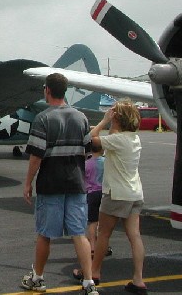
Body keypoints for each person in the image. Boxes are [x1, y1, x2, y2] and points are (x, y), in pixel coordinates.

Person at [21, 73, 98, 295]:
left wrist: (28, 182)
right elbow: (87, 152)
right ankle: (89, 282)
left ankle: (38, 278)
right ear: (65, 91)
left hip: (50, 184)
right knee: (79, 233)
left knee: (45, 233)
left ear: (47, 90)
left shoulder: (43, 119)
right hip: (76, 184)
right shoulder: (81, 117)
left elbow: (36, 156)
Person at [75, 100, 148, 294]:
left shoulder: (117, 140)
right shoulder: (133, 138)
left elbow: (91, 138)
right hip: (134, 192)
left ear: (118, 119)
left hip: (115, 193)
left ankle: (95, 272)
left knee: (104, 233)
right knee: (135, 235)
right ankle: (138, 279)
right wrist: (113, 123)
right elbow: (112, 137)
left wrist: (104, 120)